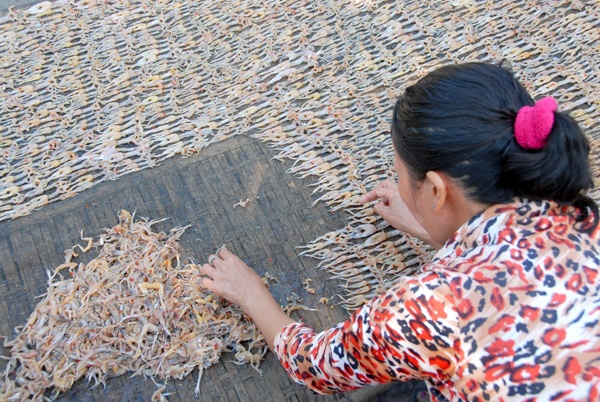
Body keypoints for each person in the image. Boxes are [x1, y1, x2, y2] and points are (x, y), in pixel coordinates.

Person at [200, 62, 600, 401]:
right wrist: (431, 225)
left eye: (403, 177)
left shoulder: (427, 309)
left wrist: (250, 294)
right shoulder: (582, 217)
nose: (402, 186)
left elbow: (316, 366)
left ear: (437, 191)